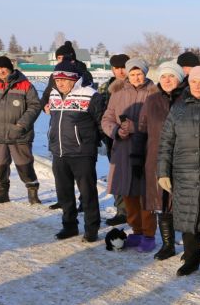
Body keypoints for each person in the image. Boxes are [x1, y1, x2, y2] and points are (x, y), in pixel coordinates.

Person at [158, 66, 200, 277]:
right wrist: (163, 172)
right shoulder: (178, 109)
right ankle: (191, 258)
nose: (197, 86)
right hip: (184, 173)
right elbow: (166, 142)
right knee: (187, 218)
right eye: (193, 82)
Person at [102, 58, 158, 252]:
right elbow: (107, 118)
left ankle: (149, 234)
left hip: (145, 149)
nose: (136, 77)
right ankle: (137, 230)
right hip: (124, 149)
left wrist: (137, 128)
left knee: (145, 194)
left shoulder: (154, 93)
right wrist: (116, 130)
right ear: (127, 74)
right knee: (127, 193)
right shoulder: (117, 94)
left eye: (139, 73)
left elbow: (160, 123)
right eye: (132, 74)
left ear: (145, 73)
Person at [133, 60, 187, 259]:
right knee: (162, 203)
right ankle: (168, 244)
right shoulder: (152, 100)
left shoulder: (188, 99)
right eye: (163, 76)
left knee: (184, 204)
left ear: (180, 79)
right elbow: (142, 130)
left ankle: (191, 247)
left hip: (184, 160)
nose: (167, 80)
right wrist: (137, 158)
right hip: (155, 158)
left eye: (171, 76)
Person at [47, 57, 105, 241]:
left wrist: (96, 144)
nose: (60, 83)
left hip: (82, 153)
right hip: (59, 151)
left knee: (87, 193)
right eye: (57, 80)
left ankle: (92, 228)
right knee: (64, 193)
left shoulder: (91, 95)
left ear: (74, 79)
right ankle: (69, 226)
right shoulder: (54, 94)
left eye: (64, 80)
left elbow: (101, 123)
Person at [0, 56, 42, 204]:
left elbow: (35, 106)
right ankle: (1, 193)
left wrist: (21, 125)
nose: (1, 70)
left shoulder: (25, 85)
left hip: (20, 134)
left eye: (3, 67)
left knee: (24, 164)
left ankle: (32, 193)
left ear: (10, 67)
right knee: (0, 164)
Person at [98, 53, 130, 226]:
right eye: (116, 68)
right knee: (116, 174)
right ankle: (122, 210)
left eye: (123, 67)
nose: (120, 71)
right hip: (113, 138)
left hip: (134, 138)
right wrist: (103, 134)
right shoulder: (105, 87)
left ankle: (137, 211)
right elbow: (100, 113)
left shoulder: (136, 83)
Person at [41, 41, 94, 110]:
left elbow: (92, 97)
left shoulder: (84, 75)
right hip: (58, 117)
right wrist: (45, 106)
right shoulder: (54, 76)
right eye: (59, 58)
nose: (61, 61)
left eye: (63, 58)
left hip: (77, 116)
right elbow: (46, 94)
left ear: (72, 60)